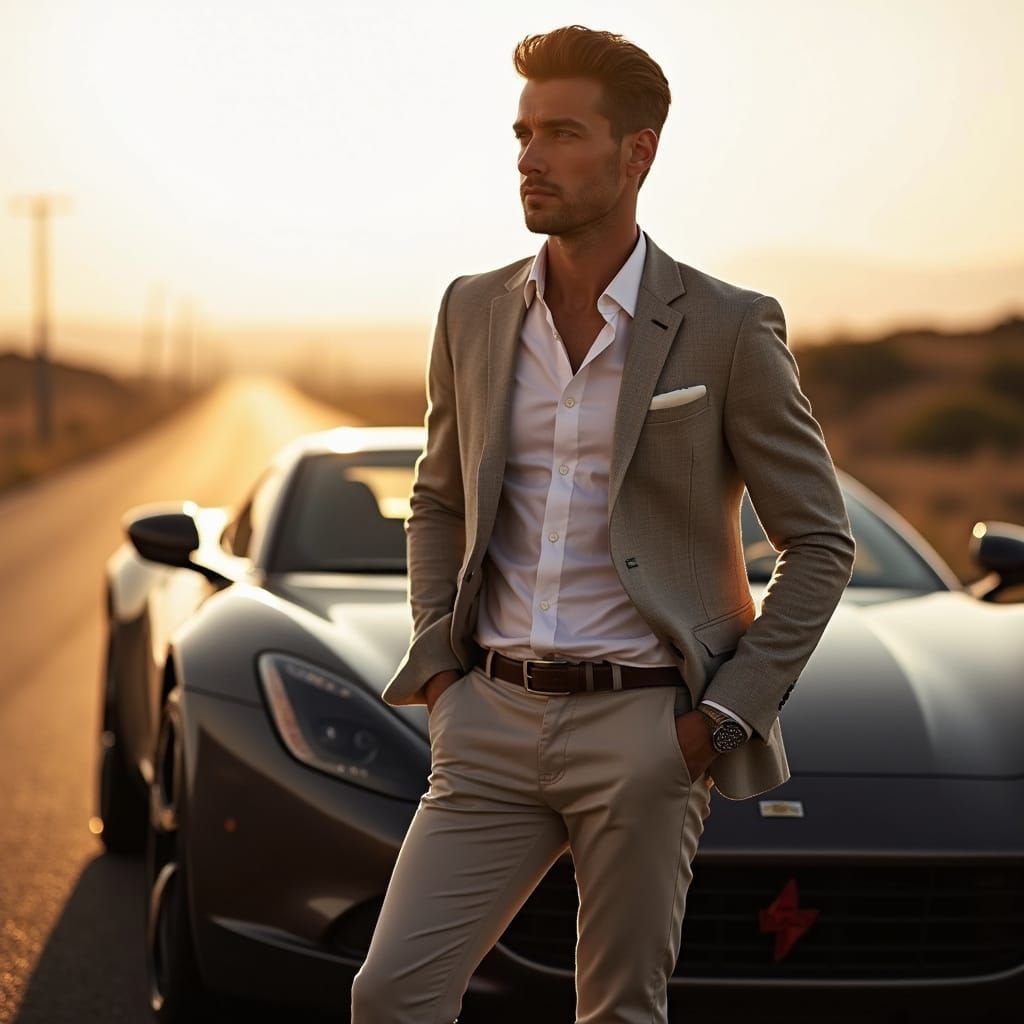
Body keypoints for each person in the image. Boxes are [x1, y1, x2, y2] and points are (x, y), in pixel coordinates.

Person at [351, 24, 855, 1024]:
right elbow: (439, 497)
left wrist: (717, 722)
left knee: (619, 1011)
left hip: (645, 728)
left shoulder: (728, 325)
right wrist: (442, 672)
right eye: (523, 132)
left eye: (563, 133)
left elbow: (820, 541)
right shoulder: (471, 310)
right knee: (392, 992)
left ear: (638, 153)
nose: (530, 158)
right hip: (488, 720)